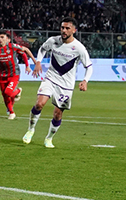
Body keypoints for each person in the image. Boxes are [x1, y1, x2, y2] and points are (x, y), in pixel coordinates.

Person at [23, 18, 93, 148]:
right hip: (50, 78)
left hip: (66, 85)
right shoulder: (53, 41)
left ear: (74, 30)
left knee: (57, 114)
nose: (64, 30)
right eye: (62, 28)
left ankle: (49, 138)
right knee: (39, 104)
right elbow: (42, 49)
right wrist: (38, 62)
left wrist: (85, 80)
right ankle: (30, 130)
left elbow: (89, 66)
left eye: (67, 28)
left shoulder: (79, 48)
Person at [0, 31, 36, 119]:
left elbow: (25, 50)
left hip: (14, 74)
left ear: (7, 39)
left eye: (2, 37)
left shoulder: (12, 46)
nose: (0, 39)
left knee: (8, 92)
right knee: (5, 95)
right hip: (2, 75)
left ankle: (18, 91)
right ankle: (11, 112)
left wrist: (33, 62)